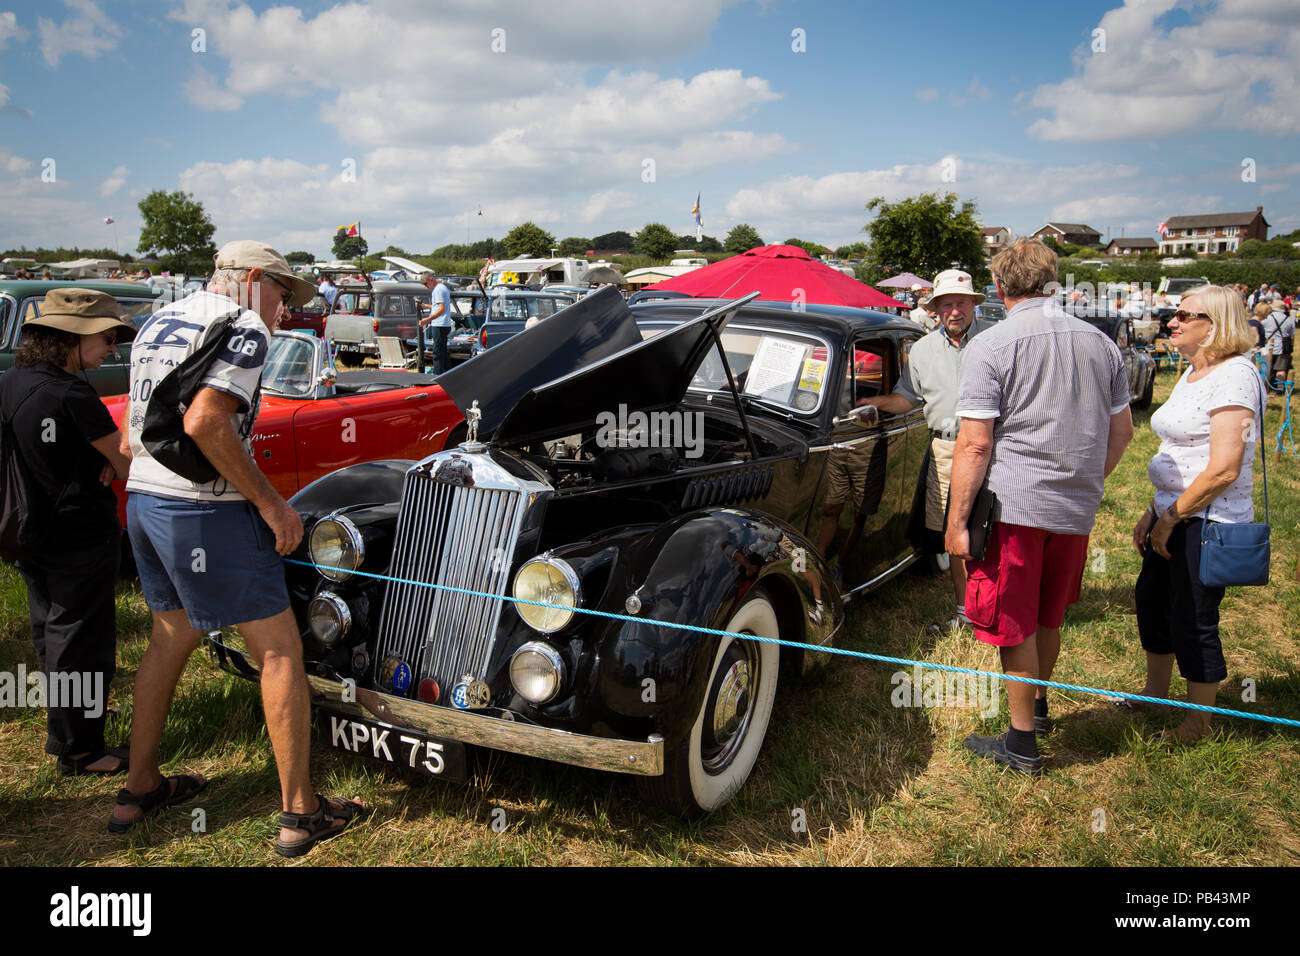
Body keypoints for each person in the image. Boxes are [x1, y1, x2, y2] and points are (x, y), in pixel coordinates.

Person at [110, 240, 366, 856]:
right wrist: (270, 503)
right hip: (204, 511)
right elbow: (205, 420)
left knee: (168, 637)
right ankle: (301, 812)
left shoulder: (160, 319)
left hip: (144, 498)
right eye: (282, 293)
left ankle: (139, 786)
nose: (284, 311)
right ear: (253, 279)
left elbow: (130, 437)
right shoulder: (244, 321)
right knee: (279, 652)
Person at [946, 239, 1135, 774]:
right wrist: (1083, 480)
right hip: (1074, 508)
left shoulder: (992, 345)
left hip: (1015, 507)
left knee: (1014, 622)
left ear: (999, 288)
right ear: (1055, 280)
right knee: (1048, 615)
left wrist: (957, 521)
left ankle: (1022, 741)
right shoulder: (1102, 344)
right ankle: (1039, 706)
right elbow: (1122, 432)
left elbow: (975, 442)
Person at [0, 289, 134, 775]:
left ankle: (71, 723)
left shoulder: (13, 380)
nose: (111, 350)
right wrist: (109, 458)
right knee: (83, 638)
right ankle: (81, 750)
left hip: (27, 531)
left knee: (51, 632)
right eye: (105, 338)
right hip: (78, 535)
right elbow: (123, 462)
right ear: (71, 338)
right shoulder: (73, 393)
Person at [1129, 287, 1260, 743]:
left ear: (1217, 323)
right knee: (1152, 602)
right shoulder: (1192, 372)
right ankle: (1155, 692)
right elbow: (1177, 451)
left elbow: (1223, 468)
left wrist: (1172, 517)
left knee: (1193, 617)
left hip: (1208, 523)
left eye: (1185, 315)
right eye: (1173, 314)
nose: (1172, 322)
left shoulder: (1237, 375)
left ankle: (1197, 722)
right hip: (1175, 513)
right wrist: (1154, 509)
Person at [856, 269, 993, 627]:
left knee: (999, 529)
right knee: (957, 534)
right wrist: (874, 402)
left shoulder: (995, 341)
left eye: (961, 303)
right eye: (946, 305)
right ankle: (966, 612)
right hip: (946, 451)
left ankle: (1001, 607)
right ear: (934, 309)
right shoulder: (922, 349)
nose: (954, 311)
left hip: (998, 447)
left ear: (973, 304)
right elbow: (907, 398)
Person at [419, 273, 452, 374]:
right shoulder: (442, 288)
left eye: (425, 283)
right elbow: (438, 307)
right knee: (442, 351)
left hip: (439, 325)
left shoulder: (438, 290)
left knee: (437, 352)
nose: (425, 286)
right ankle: (448, 372)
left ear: (431, 279)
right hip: (443, 324)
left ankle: (438, 375)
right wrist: (424, 305)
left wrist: (427, 319)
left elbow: (441, 309)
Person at [1263, 299, 1294, 392]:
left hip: (1268, 346)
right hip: (1283, 347)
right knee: (1281, 369)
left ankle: (1266, 388)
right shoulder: (1289, 320)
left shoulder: (1266, 318)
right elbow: (1292, 336)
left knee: (1266, 368)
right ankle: (1280, 388)